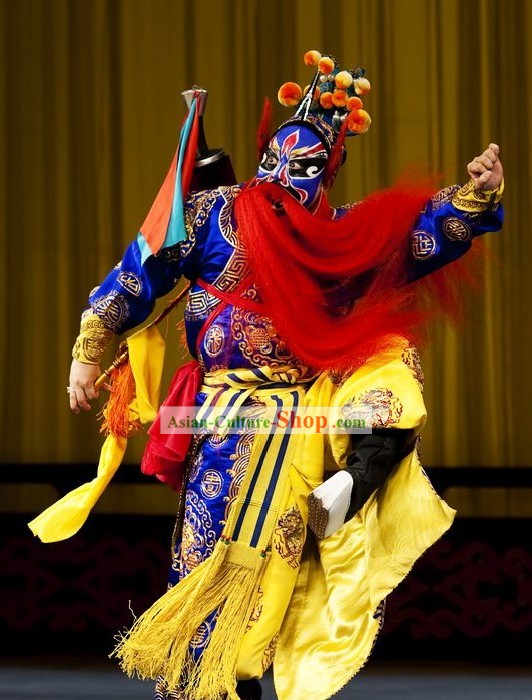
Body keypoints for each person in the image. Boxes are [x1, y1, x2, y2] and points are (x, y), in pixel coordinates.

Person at [67, 52, 503, 700]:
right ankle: (204, 684)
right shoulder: (215, 212)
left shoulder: (338, 238)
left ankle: (356, 483)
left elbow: (412, 234)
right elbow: (147, 261)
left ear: (325, 175)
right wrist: (92, 341)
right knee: (209, 563)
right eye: (276, 157)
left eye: (303, 165)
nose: (283, 173)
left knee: (388, 390)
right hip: (222, 421)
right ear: (263, 153)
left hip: (305, 421)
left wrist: (475, 195)